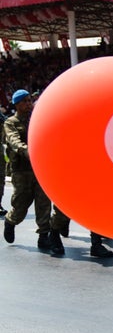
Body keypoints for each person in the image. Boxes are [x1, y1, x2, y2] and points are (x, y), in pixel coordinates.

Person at [3, 89, 52, 250]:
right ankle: (11, 221)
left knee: (43, 203)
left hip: (39, 168)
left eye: (29, 100)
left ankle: (43, 235)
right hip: (21, 170)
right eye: (24, 101)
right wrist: (27, 150)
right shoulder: (11, 122)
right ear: (17, 105)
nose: (28, 104)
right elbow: (13, 140)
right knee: (21, 205)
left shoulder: (37, 119)